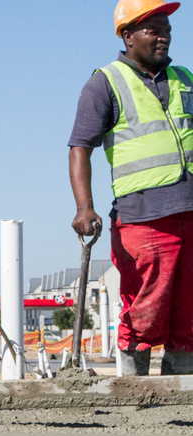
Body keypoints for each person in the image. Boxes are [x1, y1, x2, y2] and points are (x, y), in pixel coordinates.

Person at [69, 0, 193, 375]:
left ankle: (181, 391)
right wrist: (84, 207)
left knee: (188, 311)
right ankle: (134, 390)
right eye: (153, 29)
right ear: (127, 35)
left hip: (189, 211)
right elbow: (80, 149)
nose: (164, 35)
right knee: (146, 308)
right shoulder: (105, 82)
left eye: (166, 28)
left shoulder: (185, 78)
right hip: (144, 217)